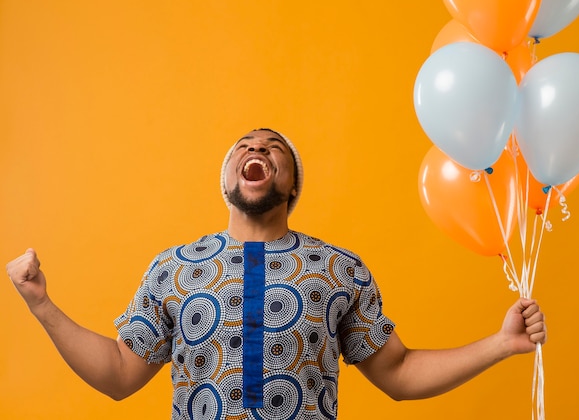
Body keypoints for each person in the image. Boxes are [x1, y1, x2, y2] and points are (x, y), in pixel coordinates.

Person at [6, 128, 547, 419]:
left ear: (292, 186)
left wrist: (499, 345)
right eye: (244, 145)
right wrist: (41, 304)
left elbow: (399, 375)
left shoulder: (340, 269)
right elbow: (120, 376)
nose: (256, 148)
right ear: (228, 177)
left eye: (272, 147)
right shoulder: (172, 268)